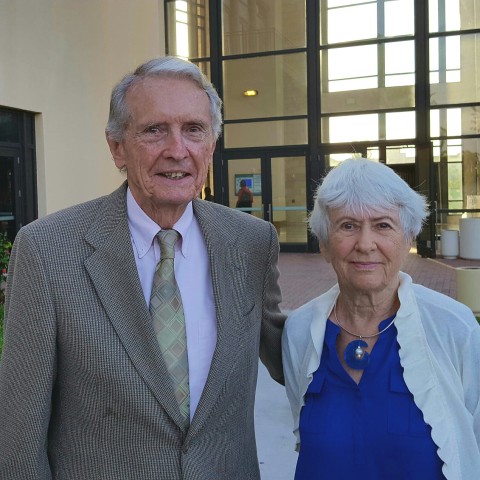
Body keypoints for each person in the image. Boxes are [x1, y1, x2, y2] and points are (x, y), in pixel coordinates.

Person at [0, 56, 286, 479]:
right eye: (154, 130)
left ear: (211, 143)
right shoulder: (48, 251)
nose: (177, 149)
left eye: (194, 129)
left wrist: (368, 299)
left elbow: (290, 357)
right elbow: (19, 436)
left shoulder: (250, 242)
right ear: (117, 147)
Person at [282, 158, 480, 479]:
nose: (365, 244)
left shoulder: (454, 328)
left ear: (409, 238)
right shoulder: (301, 330)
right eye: (347, 225)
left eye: (383, 225)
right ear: (323, 243)